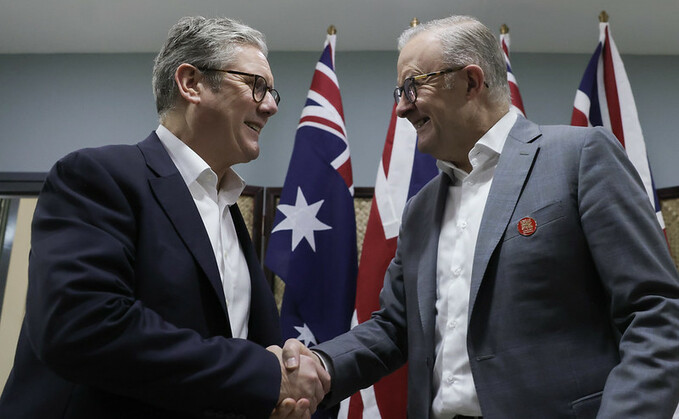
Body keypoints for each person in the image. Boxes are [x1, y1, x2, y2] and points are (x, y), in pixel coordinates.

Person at [282, 15, 679, 418]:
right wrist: (322, 365)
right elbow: (393, 328)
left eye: (413, 87)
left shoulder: (580, 157)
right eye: (399, 91)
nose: (401, 107)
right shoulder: (420, 209)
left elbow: (655, 312)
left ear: (471, 81)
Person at [0, 16, 328, 419]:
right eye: (256, 85)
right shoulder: (97, 176)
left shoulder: (229, 212)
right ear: (191, 83)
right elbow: (83, 326)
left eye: (272, 91)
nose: (272, 105)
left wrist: (277, 394)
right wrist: (264, 373)